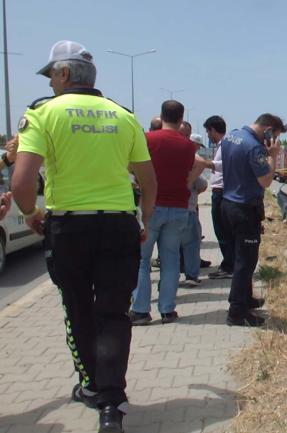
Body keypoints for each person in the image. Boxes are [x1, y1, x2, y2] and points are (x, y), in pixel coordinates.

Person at [12, 40, 157, 433]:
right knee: (113, 313)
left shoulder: (43, 113)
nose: (51, 84)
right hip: (119, 226)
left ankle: (90, 385)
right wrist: (143, 221)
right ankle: (112, 404)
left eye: (51, 77)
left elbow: (22, 180)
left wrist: (30, 214)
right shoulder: (123, 115)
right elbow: (148, 179)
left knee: (78, 308)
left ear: (63, 74)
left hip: (69, 227)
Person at [130, 100, 197, 326]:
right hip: (179, 208)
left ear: (161, 115)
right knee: (170, 260)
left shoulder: (148, 139)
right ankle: (167, 310)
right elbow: (190, 173)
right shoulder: (188, 146)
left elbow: (132, 166)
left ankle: (140, 310)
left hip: (151, 206)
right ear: (181, 118)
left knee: (142, 261)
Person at [221, 114, 286, 326]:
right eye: (274, 136)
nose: (273, 140)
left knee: (243, 257)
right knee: (245, 262)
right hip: (244, 209)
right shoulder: (255, 148)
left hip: (228, 203)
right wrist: (273, 156)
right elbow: (266, 181)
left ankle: (246, 298)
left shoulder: (232, 137)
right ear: (268, 129)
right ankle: (237, 312)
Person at [200, 115, 234, 279]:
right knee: (223, 231)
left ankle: (229, 266)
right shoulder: (224, 145)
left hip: (221, 192)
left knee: (222, 231)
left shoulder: (225, 145)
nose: (208, 136)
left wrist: (207, 163)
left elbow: (226, 165)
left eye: (208, 132)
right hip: (221, 192)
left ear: (213, 130)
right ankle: (229, 264)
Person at [179, 134, 209, 288]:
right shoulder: (191, 159)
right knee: (191, 244)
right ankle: (191, 275)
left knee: (170, 248)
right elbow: (203, 184)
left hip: (164, 209)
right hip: (188, 209)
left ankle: (167, 281)